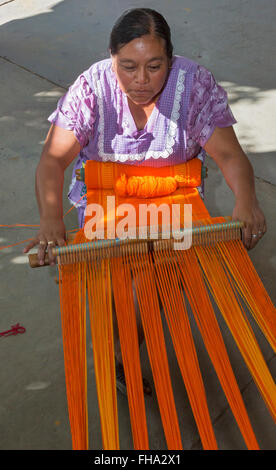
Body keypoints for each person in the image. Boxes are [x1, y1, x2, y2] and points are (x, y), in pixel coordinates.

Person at [23, 8, 266, 394]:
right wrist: (51, 218)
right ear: (111, 57)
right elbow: (53, 159)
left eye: (154, 66)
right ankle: (122, 350)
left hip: (174, 199)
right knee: (126, 290)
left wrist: (247, 200)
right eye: (128, 66)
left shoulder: (193, 86)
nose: (141, 80)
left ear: (170, 59)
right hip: (108, 201)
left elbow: (231, 155)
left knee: (155, 283)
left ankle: (121, 352)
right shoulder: (92, 88)